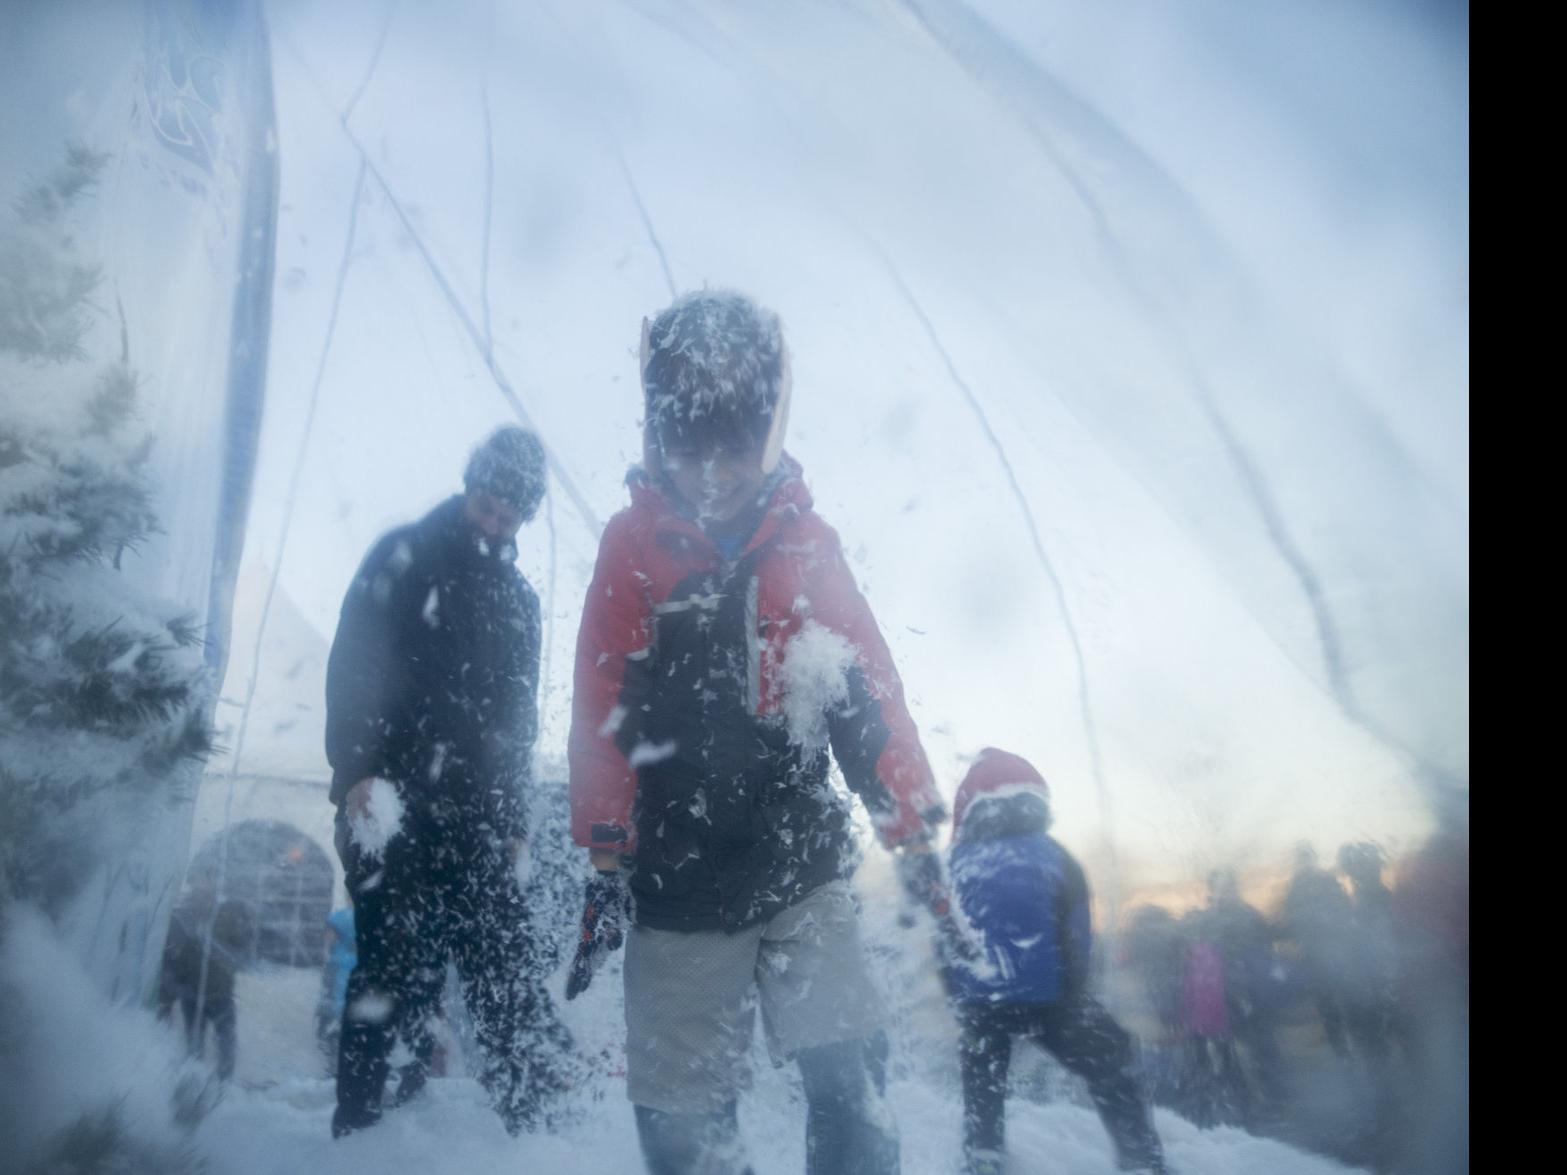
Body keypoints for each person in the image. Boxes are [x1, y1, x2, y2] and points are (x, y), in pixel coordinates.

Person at [567, 289, 947, 1175]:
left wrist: (910, 823)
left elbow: (866, 689)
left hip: (798, 870)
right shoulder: (633, 546)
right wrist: (604, 851)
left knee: (851, 1082)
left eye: (733, 445)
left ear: (769, 432)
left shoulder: (808, 546)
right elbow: (601, 705)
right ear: (658, 435)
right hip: (677, 880)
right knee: (683, 1118)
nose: (712, 469)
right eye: (688, 444)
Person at [324, 426, 570, 1138]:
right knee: (395, 966)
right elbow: (356, 660)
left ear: (525, 516)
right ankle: (368, 1129)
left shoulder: (519, 599)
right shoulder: (405, 554)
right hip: (390, 797)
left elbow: (519, 715)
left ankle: (544, 1131)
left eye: (509, 512)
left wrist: (516, 815)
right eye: (487, 501)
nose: (493, 519)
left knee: (503, 961)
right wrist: (355, 767)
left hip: (478, 811)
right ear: (470, 486)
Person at [945, 749, 1166, 1175]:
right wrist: (1074, 994)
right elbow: (1078, 935)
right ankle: (1141, 1159)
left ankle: (984, 1156)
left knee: (982, 1077)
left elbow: (942, 938)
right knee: (1113, 1057)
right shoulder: (1055, 855)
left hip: (980, 1002)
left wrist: (963, 998)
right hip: (1052, 999)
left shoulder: (954, 864)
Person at [157, 895, 251, 1081]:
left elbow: (182, 967)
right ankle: (220, 1084)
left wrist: (171, 995)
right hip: (213, 997)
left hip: (197, 996)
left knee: (199, 1045)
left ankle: (197, 1082)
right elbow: (240, 959)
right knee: (224, 1043)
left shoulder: (202, 935)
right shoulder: (215, 935)